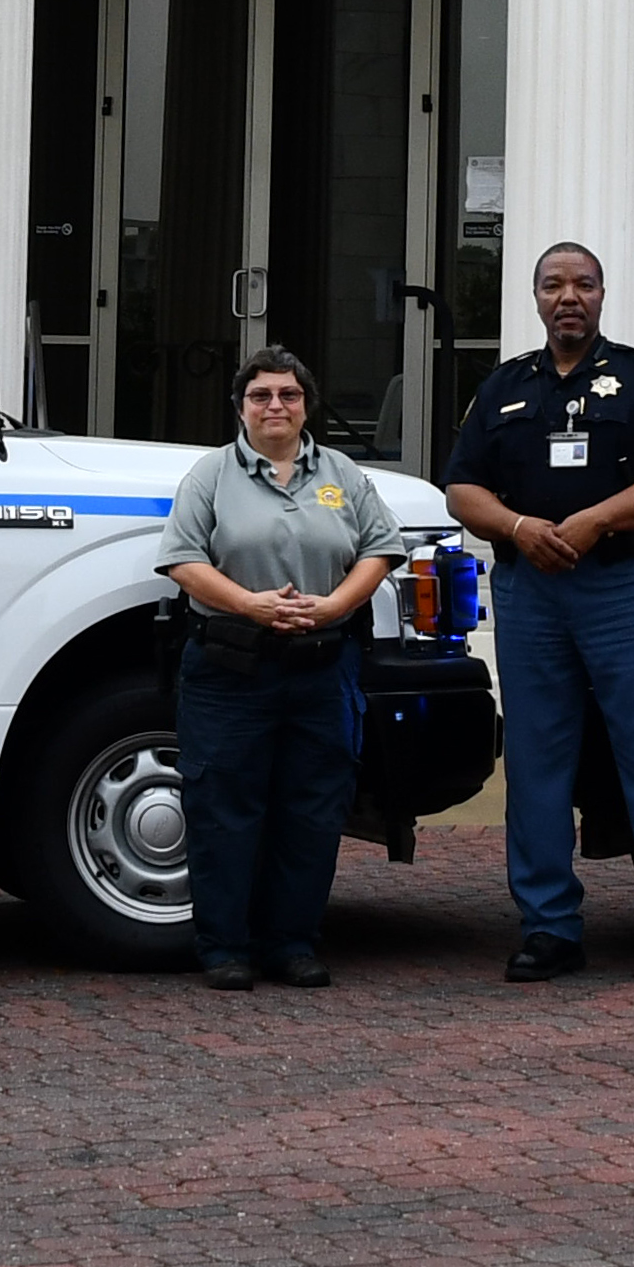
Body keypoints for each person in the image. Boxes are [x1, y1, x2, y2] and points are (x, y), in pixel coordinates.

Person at [440, 239, 634, 984]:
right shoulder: (502, 389)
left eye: (584, 284)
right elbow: (461, 490)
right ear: (535, 298)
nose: (570, 296)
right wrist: (518, 527)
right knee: (536, 759)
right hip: (532, 593)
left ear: (602, 295)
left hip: (625, 587)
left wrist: (597, 519)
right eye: (555, 284)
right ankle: (548, 925)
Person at [153, 347, 398, 989]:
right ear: (240, 407)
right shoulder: (210, 477)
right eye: (261, 395)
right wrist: (251, 606)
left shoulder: (343, 473)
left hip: (322, 669)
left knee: (311, 813)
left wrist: (337, 606)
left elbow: (380, 547)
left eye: (288, 395)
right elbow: (182, 559)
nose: (275, 406)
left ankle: (292, 944)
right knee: (224, 812)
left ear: (306, 405)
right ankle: (225, 948)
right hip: (231, 668)